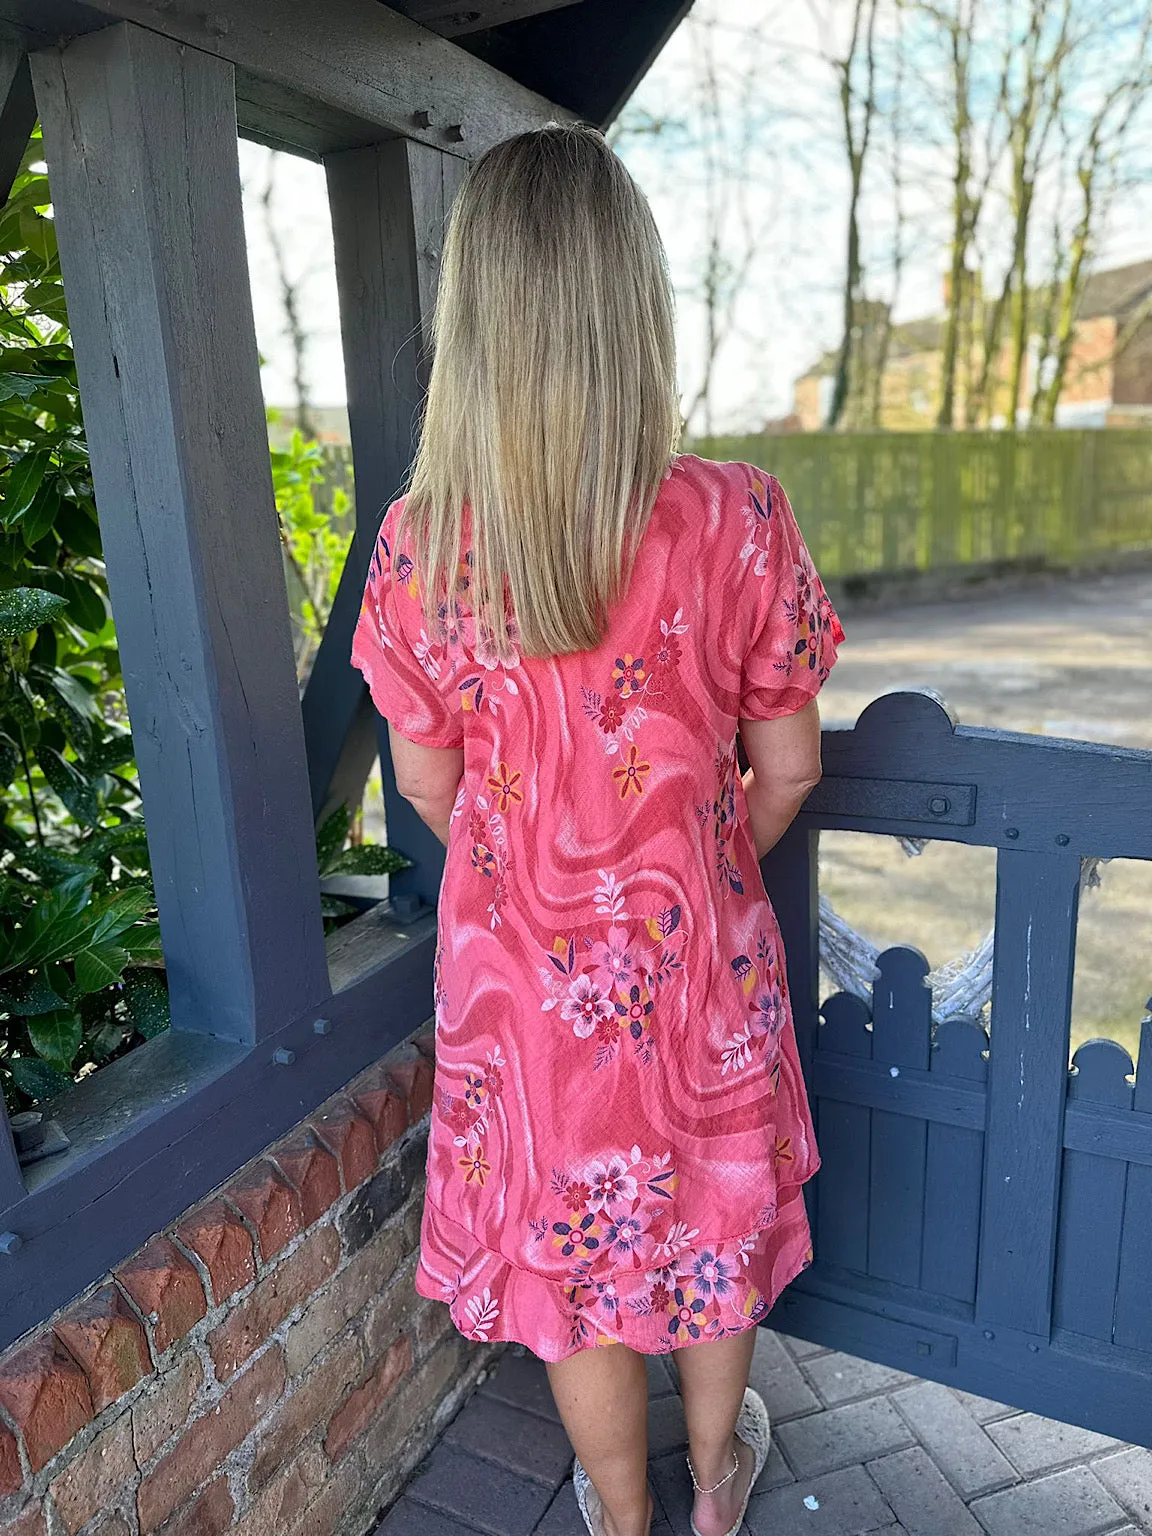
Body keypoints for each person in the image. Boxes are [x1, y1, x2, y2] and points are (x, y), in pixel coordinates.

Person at [351, 122, 843, 1536]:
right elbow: (792, 767)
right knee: (707, 1221)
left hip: (525, 994)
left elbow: (433, 789)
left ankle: (623, 1518)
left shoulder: (422, 544)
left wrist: (531, 893)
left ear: (477, 319)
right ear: (635, 305)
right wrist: (699, 859)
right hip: (699, 969)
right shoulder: (739, 519)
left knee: (580, 1269)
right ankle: (718, 1486)